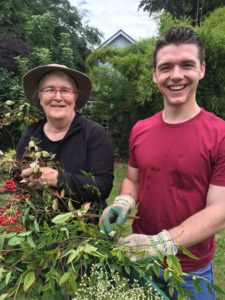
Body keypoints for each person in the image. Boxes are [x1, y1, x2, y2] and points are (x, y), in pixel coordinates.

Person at [99, 27, 225, 299]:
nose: (176, 75)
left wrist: (162, 243)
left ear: (201, 69)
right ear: (155, 75)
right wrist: (124, 200)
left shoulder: (220, 134)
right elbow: (133, 179)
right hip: (140, 263)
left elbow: (220, 210)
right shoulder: (140, 129)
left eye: (187, 65)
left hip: (191, 272)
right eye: (166, 67)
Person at [17, 64, 114, 211]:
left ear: (75, 96)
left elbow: (103, 186)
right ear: (40, 96)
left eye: (65, 90)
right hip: (38, 229)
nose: (58, 97)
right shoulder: (30, 135)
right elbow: (17, 182)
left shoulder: (94, 134)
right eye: (49, 89)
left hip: (84, 229)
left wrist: (58, 179)